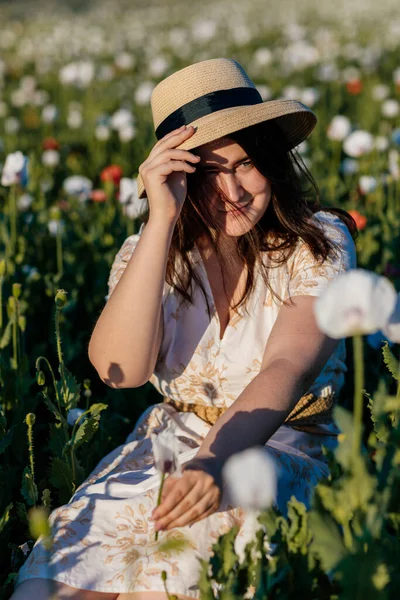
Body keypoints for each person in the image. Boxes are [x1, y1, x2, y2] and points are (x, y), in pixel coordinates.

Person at [13, 58, 357, 600]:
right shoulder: (150, 254)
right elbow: (117, 371)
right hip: (164, 447)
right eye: (206, 175)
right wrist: (161, 220)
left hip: (279, 448)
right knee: (57, 583)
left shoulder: (317, 242)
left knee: (181, 569)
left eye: (245, 164)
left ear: (271, 159)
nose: (234, 193)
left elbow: (287, 364)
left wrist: (213, 465)